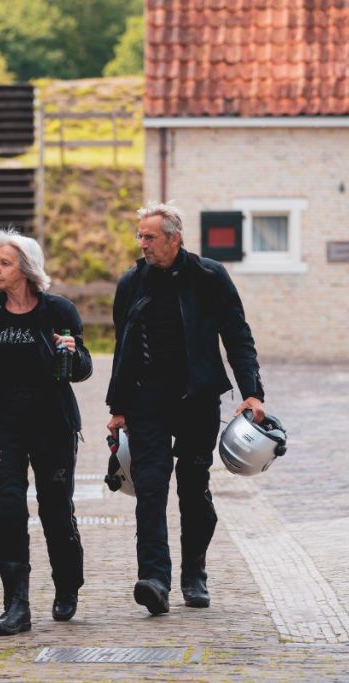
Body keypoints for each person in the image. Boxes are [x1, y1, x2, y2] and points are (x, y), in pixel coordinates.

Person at [106, 201, 265, 616]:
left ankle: (194, 573)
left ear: (175, 239)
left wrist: (252, 392)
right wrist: (118, 406)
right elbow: (122, 348)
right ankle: (154, 580)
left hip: (197, 399)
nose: (142, 244)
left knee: (194, 488)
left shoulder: (210, 277)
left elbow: (237, 335)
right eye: (139, 236)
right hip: (147, 402)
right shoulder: (131, 283)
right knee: (151, 488)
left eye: (150, 237)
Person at [0, 228, 92, 636]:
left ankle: (68, 585)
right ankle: (16, 605)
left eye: (4, 262)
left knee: (55, 510)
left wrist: (72, 353)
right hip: (2, 427)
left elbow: (82, 369)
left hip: (52, 425)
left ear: (26, 268)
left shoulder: (59, 311)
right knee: (9, 509)